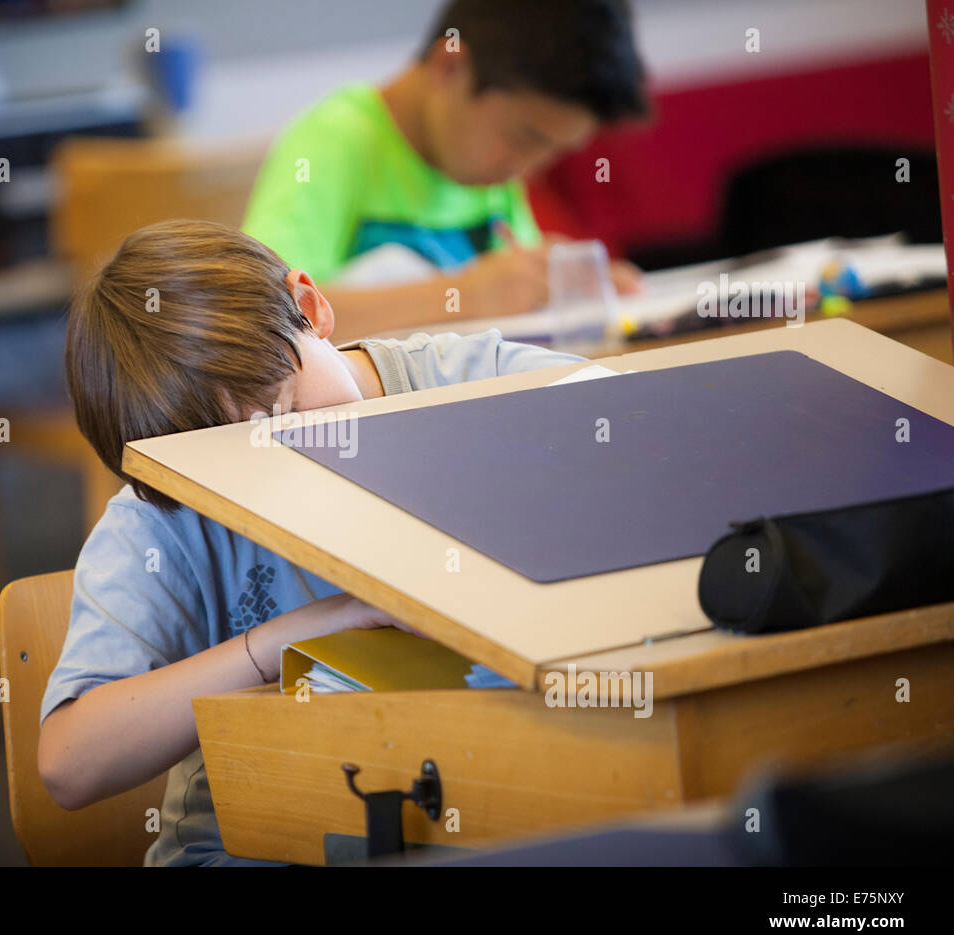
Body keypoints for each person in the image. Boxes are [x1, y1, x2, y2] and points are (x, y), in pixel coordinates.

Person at [38, 219, 585, 865]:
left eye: (284, 411)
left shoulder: (472, 380)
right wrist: (287, 639)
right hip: (259, 846)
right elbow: (70, 766)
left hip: (508, 806)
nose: (280, 458)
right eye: (229, 460)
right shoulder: (164, 510)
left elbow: (651, 448)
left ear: (311, 309)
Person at [241, 0, 649, 339]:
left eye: (553, 152)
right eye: (525, 138)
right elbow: (262, 312)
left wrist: (566, 284)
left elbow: (515, 298)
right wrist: (466, 295)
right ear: (450, 65)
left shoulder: (483, 162)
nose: (527, 170)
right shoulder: (334, 141)